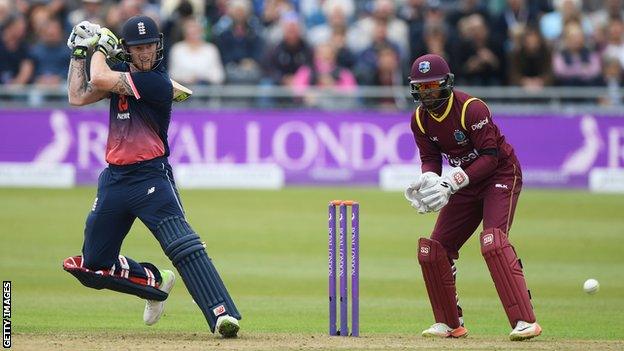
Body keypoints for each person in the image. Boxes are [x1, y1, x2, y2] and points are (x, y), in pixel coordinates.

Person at [61, 16, 241, 338]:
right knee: (92, 267)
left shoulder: (157, 82)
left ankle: (222, 315)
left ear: (158, 47)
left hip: (151, 177)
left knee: (182, 245)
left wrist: (99, 45)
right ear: (128, 51)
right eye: (138, 48)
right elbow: (77, 96)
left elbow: (100, 77)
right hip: (114, 179)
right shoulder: (122, 76)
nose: (145, 54)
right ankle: (153, 281)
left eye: (149, 47)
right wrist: (78, 53)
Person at [403, 54, 541, 341]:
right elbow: (430, 158)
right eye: (422, 88)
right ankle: (449, 323)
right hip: (466, 182)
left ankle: (524, 321)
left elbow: (490, 159)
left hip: (500, 175)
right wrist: (429, 180)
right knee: (434, 249)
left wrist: (451, 183)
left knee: (493, 241)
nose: (427, 94)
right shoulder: (419, 119)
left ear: (447, 83)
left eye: (433, 87)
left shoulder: (471, 109)